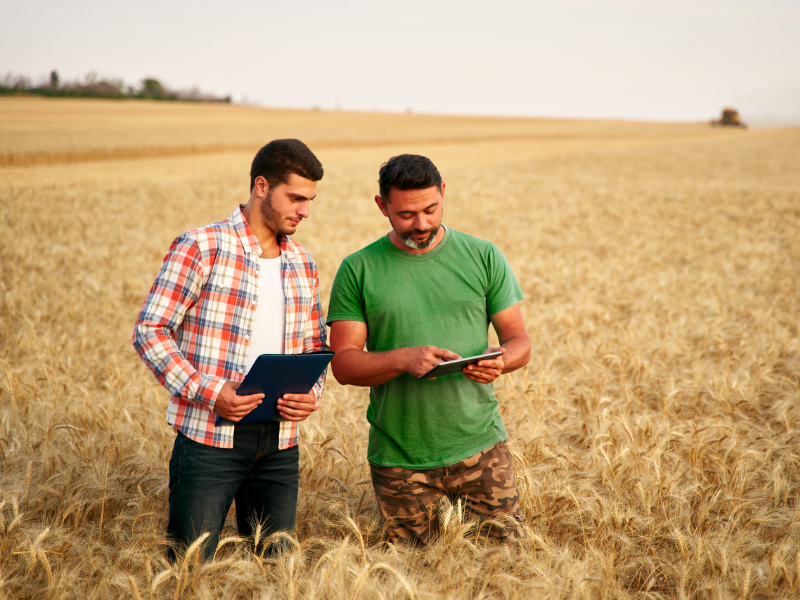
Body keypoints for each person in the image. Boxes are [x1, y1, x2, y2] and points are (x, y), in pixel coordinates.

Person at [132, 139, 328, 560]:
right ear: (261, 186)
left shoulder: (303, 264)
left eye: (310, 200)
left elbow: (315, 348)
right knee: (189, 567)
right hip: (208, 440)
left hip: (280, 442)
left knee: (277, 570)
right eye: (295, 197)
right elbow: (150, 330)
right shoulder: (202, 246)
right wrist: (210, 391)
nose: (305, 210)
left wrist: (312, 395)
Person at [327, 154, 531, 544]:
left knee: (504, 563)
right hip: (399, 458)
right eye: (405, 215)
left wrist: (501, 361)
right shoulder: (359, 269)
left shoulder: (483, 256)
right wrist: (404, 359)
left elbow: (519, 341)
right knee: (411, 571)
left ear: (443, 193)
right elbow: (344, 365)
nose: (421, 224)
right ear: (381, 206)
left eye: (430, 209)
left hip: (481, 447)